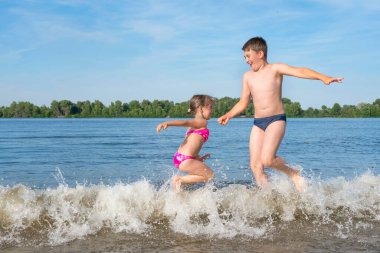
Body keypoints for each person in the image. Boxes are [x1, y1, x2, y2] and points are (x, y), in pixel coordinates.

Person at [217, 37, 344, 192]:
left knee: (268, 159)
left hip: (276, 120)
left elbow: (300, 71)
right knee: (255, 165)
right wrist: (229, 114)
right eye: (244, 57)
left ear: (260, 53)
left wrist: (323, 77)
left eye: (248, 56)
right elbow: (243, 102)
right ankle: (268, 195)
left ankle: (293, 173)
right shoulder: (247, 77)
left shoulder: (275, 69)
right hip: (258, 123)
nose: (246, 60)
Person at [156, 95, 215, 190]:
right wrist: (167, 123)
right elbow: (185, 122)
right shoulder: (202, 122)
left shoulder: (192, 127)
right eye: (210, 107)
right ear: (200, 109)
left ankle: (180, 192)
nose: (212, 110)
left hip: (180, 158)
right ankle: (179, 180)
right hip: (186, 160)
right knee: (210, 175)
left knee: (197, 176)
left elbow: (192, 144)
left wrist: (197, 159)